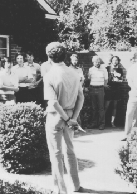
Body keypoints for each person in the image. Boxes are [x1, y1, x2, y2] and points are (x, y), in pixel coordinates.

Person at [43, 42, 85, 194]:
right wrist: (73, 118)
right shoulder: (74, 73)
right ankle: (76, 185)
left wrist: (67, 119)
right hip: (70, 116)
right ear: (65, 56)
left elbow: (53, 102)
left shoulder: (49, 75)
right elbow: (81, 97)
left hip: (56, 117)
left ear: (49, 57)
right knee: (70, 151)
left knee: (55, 154)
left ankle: (60, 190)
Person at [87, 56, 108, 130]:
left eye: (98, 61)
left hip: (100, 89)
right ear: (93, 62)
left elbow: (106, 80)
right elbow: (89, 79)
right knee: (93, 107)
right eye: (96, 61)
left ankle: (102, 124)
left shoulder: (104, 70)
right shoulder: (90, 70)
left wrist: (103, 87)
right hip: (92, 89)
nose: (97, 63)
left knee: (101, 108)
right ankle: (94, 123)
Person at [105, 56, 124, 127]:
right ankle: (102, 121)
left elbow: (121, 79)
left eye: (116, 60)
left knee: (115, 106)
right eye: (114, 60)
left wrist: (119, 79)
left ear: (118, 61)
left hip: (117, 89)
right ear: (111, 61)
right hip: (109, 89)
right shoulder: (107, 68)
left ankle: (112, 122)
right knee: (106, 105)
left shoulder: (120, 69)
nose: (115, 61)